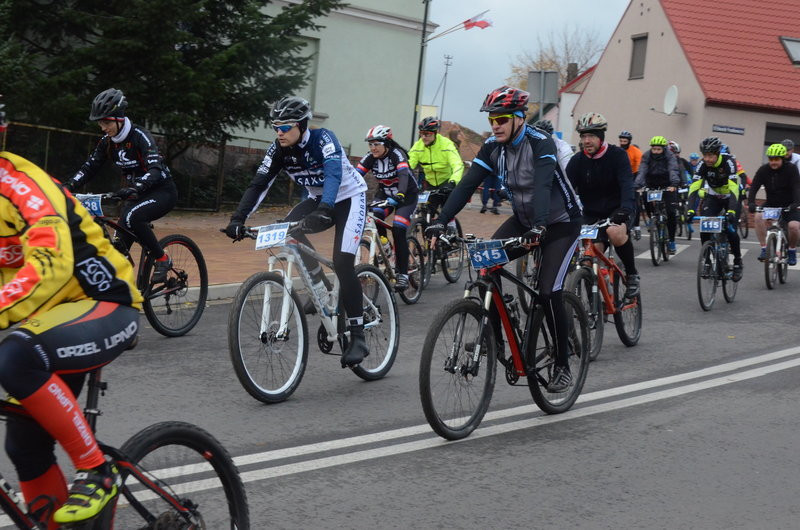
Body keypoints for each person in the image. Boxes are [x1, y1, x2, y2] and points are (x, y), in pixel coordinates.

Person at [0, 100, 142, 527]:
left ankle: (96, 470)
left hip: (105, 303)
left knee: (15, 357)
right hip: (44, 319)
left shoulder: (19, 184)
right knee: (24, 448)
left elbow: (51, 262)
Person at [427, 86, 583, 393]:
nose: (495, 124)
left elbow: (541, 186)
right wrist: (440, 221)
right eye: (491, 119)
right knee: (487, 264)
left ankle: (563, 364)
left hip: (561, 223)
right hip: (524, 221)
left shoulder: (541, 142)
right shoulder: (492, 148)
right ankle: (494, 334)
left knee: (549, 290)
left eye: (502, 118)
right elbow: (467, 186)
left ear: (520, 118)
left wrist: (539, 227)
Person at [224, 96, 370, 367]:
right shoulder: (278, 149)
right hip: (318, 199)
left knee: (342, 261)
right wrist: (237, 219)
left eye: (285, 127)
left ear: (301, 125)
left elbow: (334, 174)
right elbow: (259, 184)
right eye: (275, 127)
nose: (279, 132)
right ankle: (322, 288)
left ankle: (359, 333)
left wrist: (326, 207)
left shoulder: (324, 139)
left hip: (349, 198)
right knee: (287, 231)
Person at [66, 88, 177, 283]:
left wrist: (137, 187)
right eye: (100, 123)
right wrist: (68, 186)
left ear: (119, 118)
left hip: (161, 191)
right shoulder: (107, 142)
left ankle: (162, 258)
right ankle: (124, 288)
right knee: (116, 251)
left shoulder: (140, 136)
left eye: (106, 122)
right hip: (134, 195)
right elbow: (90, 167)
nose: (103, 127)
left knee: (134, 218)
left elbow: (155, 169)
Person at [566, 113, 639, 298]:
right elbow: (564, 189)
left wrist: (625, 209)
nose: (586, 141)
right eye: (583, 137)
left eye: (591, 136)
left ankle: (631, 274)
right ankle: (592, 306)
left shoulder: (617, 155)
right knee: (588, 260)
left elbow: (627, 185)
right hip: (591, 212)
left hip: (618, 209)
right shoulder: (577, 161)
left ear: (601, 137)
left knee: (614, 233)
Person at [356, 125, 419, 290]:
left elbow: (404, 176)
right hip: (385, 194)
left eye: (376, 144)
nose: (373, 148)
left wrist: (400, 195)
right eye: (370, 144)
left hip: (406, 196)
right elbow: (354, 176)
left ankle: (403, 274)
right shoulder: (370, 157)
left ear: (387, 143)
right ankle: (386, 247)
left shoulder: (397, 155)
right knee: (375, 215)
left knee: (398, 228)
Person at [686, 136, 744, 281]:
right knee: (705, 227)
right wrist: (690, 209)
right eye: (705, 155)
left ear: (718, 154)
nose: (707, 159)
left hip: (729, 196)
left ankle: (737, 261)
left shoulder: (728, 162)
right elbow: (694, 187)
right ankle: (707, 259)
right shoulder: (702, 165)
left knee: (731, 229)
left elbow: (733, 187)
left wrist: (731, 210)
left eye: (710, 155)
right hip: (713, 196)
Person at [748, 143, 800, 265]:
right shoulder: (763, 170)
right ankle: (764, 249)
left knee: (794, 227)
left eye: (776, 159)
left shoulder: (791, 169)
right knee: (758, 217)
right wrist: (751, 202)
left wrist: (796, 203)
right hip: (771, 204)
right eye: (771, 159)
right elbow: (754, 186)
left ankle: (792, 250)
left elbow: (797, 188)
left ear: (782, 158)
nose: (773, 162)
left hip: (789, 205)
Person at [407, 117, 464, 216]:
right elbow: (407, 166)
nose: (423, 137)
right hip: (430, 184)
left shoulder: (446, 145)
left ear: (435, 133)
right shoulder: (418, 146)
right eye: (421, 133)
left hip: (446, 182)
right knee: (426, 214)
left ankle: (451, 226)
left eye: (427, 134)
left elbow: (458, 165)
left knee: (447, 213)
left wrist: (453, 182)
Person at [635, 136, 680, 254]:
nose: (655, 152)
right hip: (652, 184)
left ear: (664, 149)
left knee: (671, 212)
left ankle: (671, 241)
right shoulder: (646, 155)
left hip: (668, 185)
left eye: (658, 149)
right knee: (645, 197)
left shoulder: (670, 156)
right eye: (654, 149)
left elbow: (673, 169)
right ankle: (652, 219)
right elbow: (642, 170)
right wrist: (637, 185)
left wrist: (674, 183)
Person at [619, 131, 643, 239]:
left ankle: (637, 226)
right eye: (621, 141)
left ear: (629, 141)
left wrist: (638, 183)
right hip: (622, 175)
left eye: (625, 141)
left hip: (634, 175)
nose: (623, 143)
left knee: (635, 202)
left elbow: (640, 169)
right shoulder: (618, 151)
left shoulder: (636, 151)